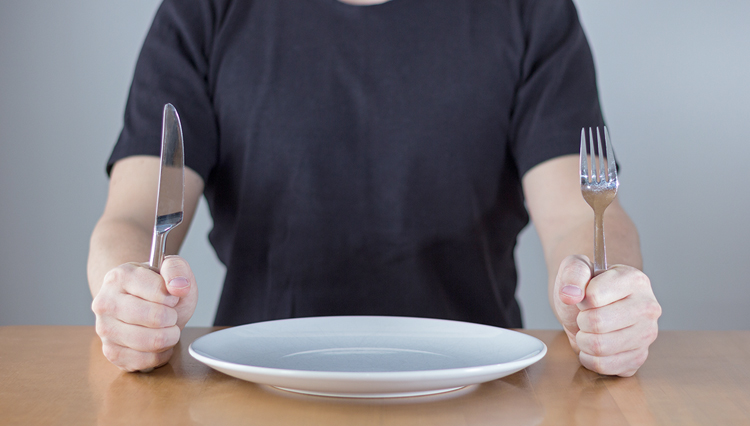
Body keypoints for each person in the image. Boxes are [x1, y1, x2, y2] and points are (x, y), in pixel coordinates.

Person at [88, 0, 661, 376]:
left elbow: (578, 216)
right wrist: (131, 300)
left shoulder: (529, 9)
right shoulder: (205, 9)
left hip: (478, 390)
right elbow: (136, 218)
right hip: (253, 386)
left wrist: (610, 298)